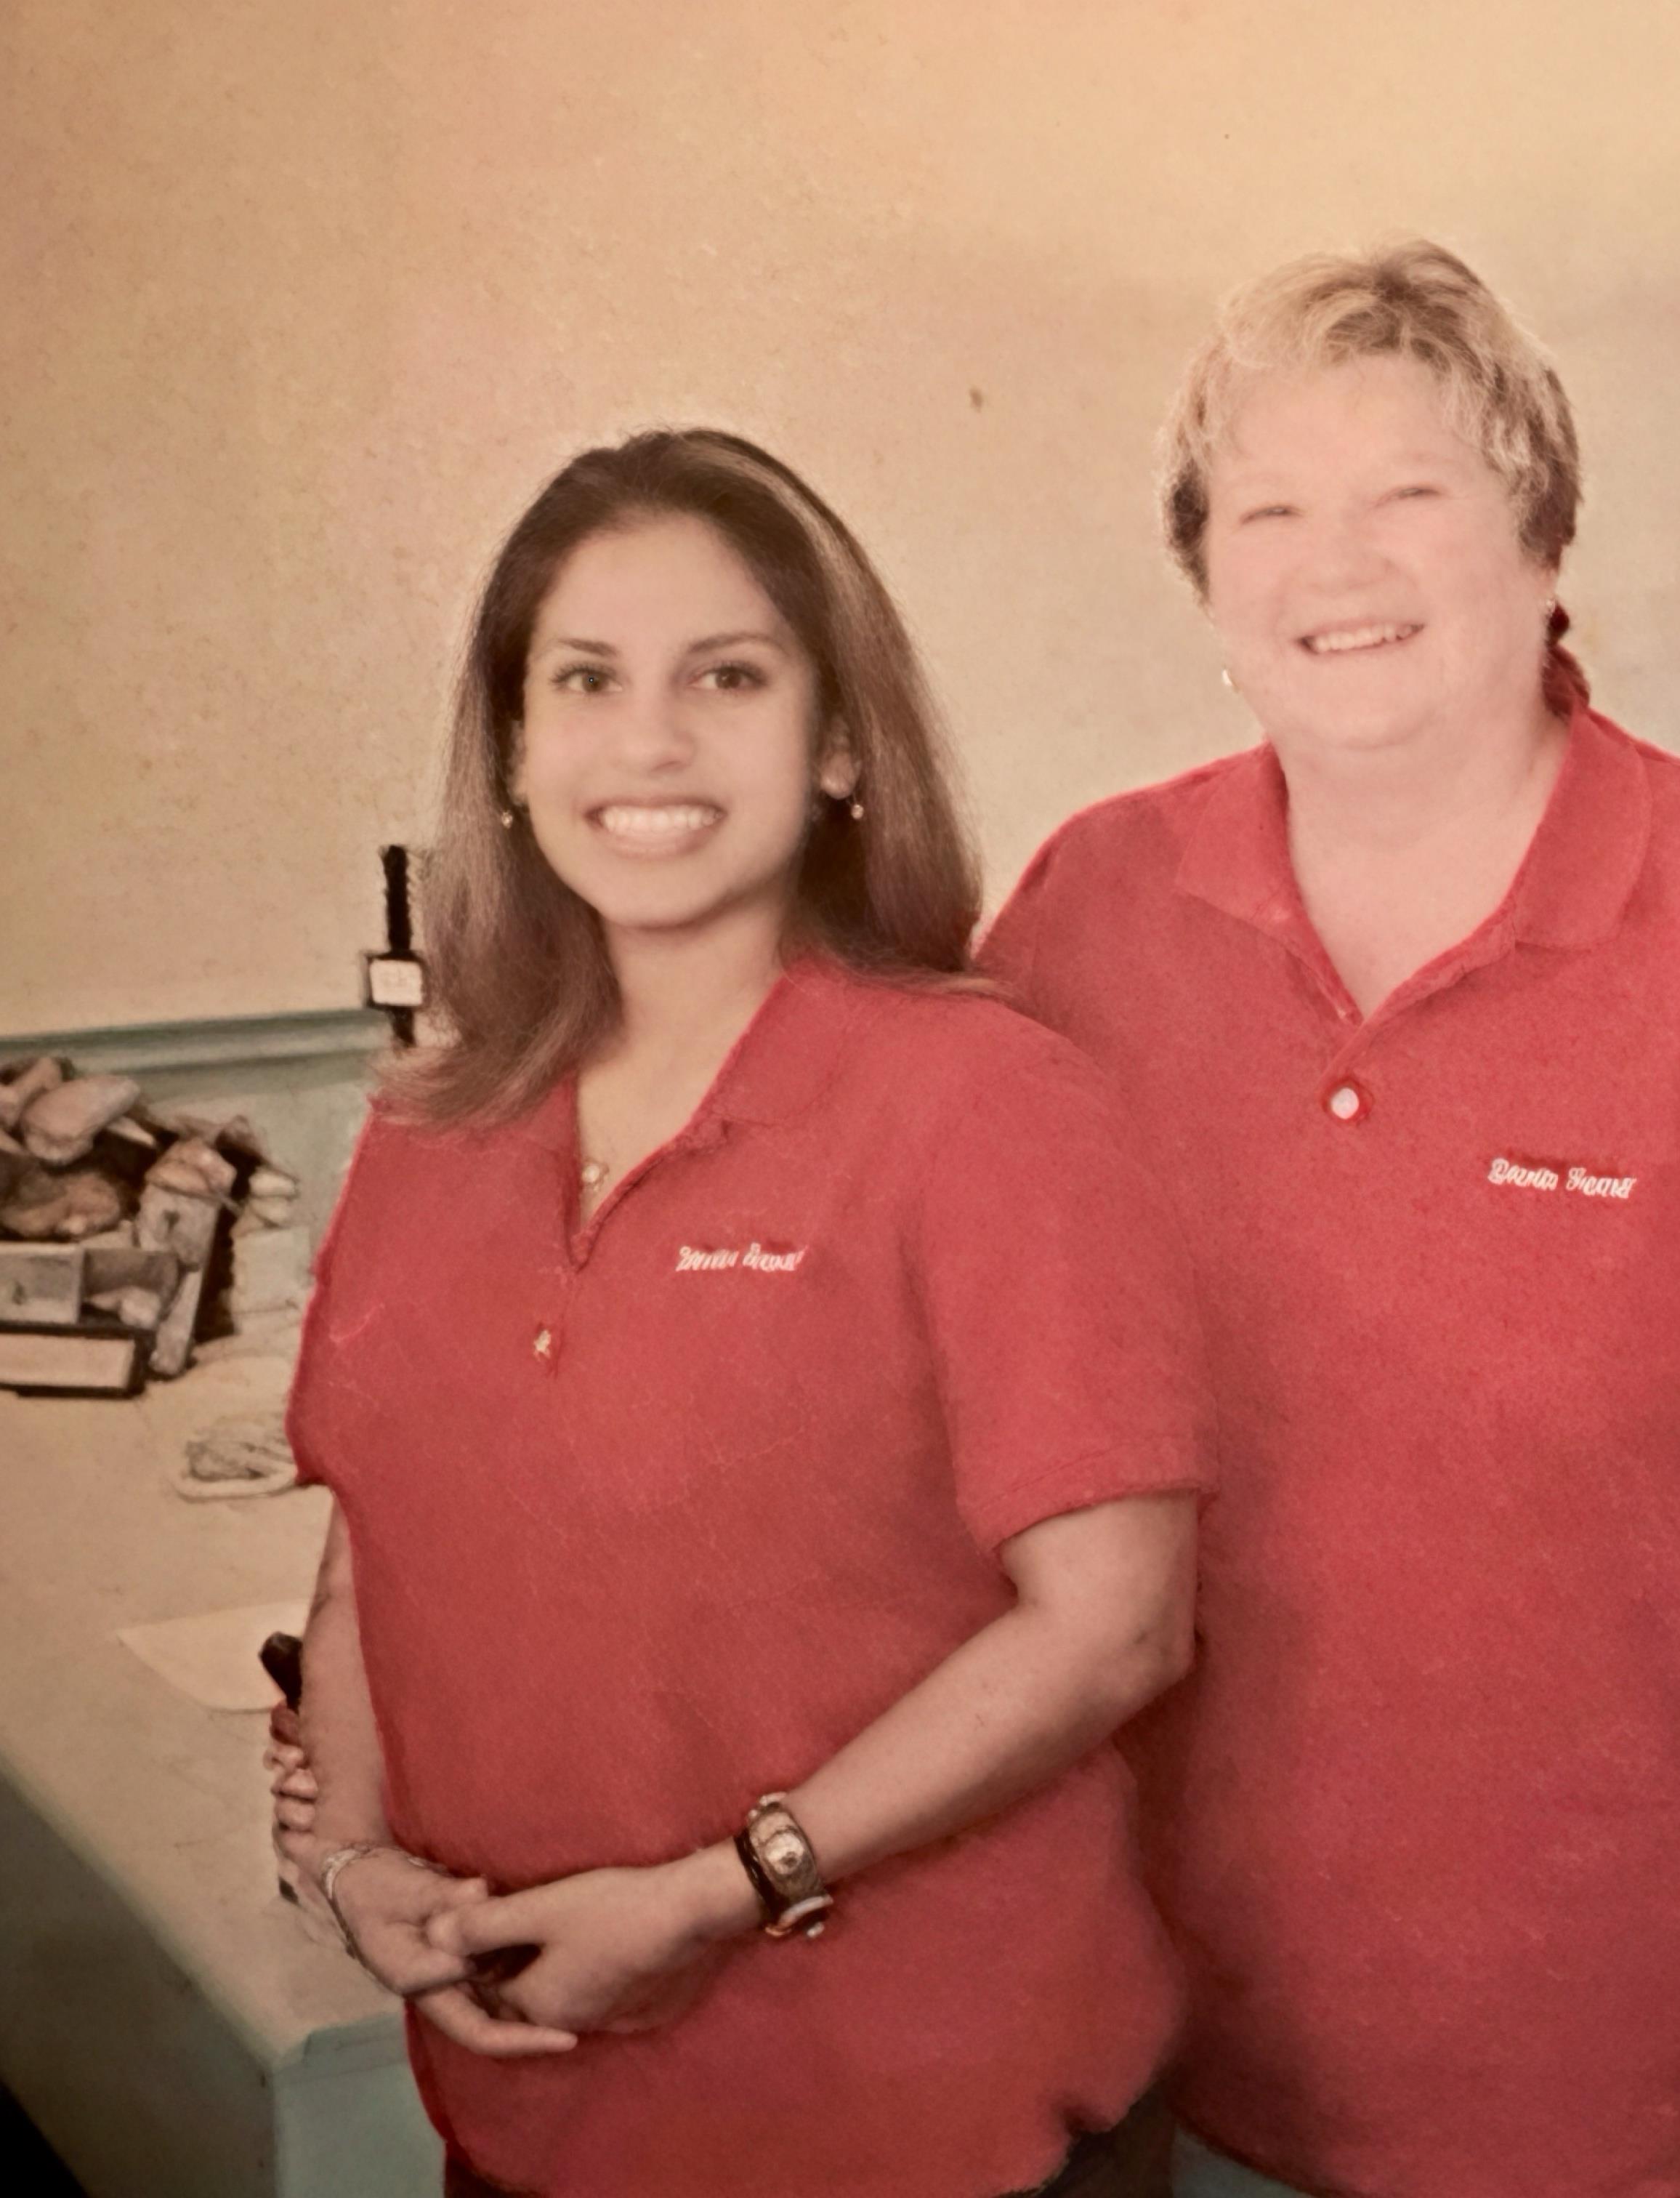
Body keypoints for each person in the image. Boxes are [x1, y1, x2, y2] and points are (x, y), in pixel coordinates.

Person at [977, 241, 1680, 2198]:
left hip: (1658, 2090)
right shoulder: (1092, 916)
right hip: (1212, 2066)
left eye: (1413, 494)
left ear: (1542, 535)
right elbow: (923, 1406)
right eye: (1272, 512)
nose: (1342, 569)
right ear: (1208, 581)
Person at [266, 429, 1204, 2198]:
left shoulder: (987, 1106)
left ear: (841, 740)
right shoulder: (431, 1127)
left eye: (729, 677)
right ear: (517, 746)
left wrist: (723, 1891)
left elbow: (1113, 1628)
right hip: (539, 2120)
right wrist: (364, 1860)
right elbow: (364, 1558)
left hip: (925, 2130)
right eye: (587, 681)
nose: (650, 743)